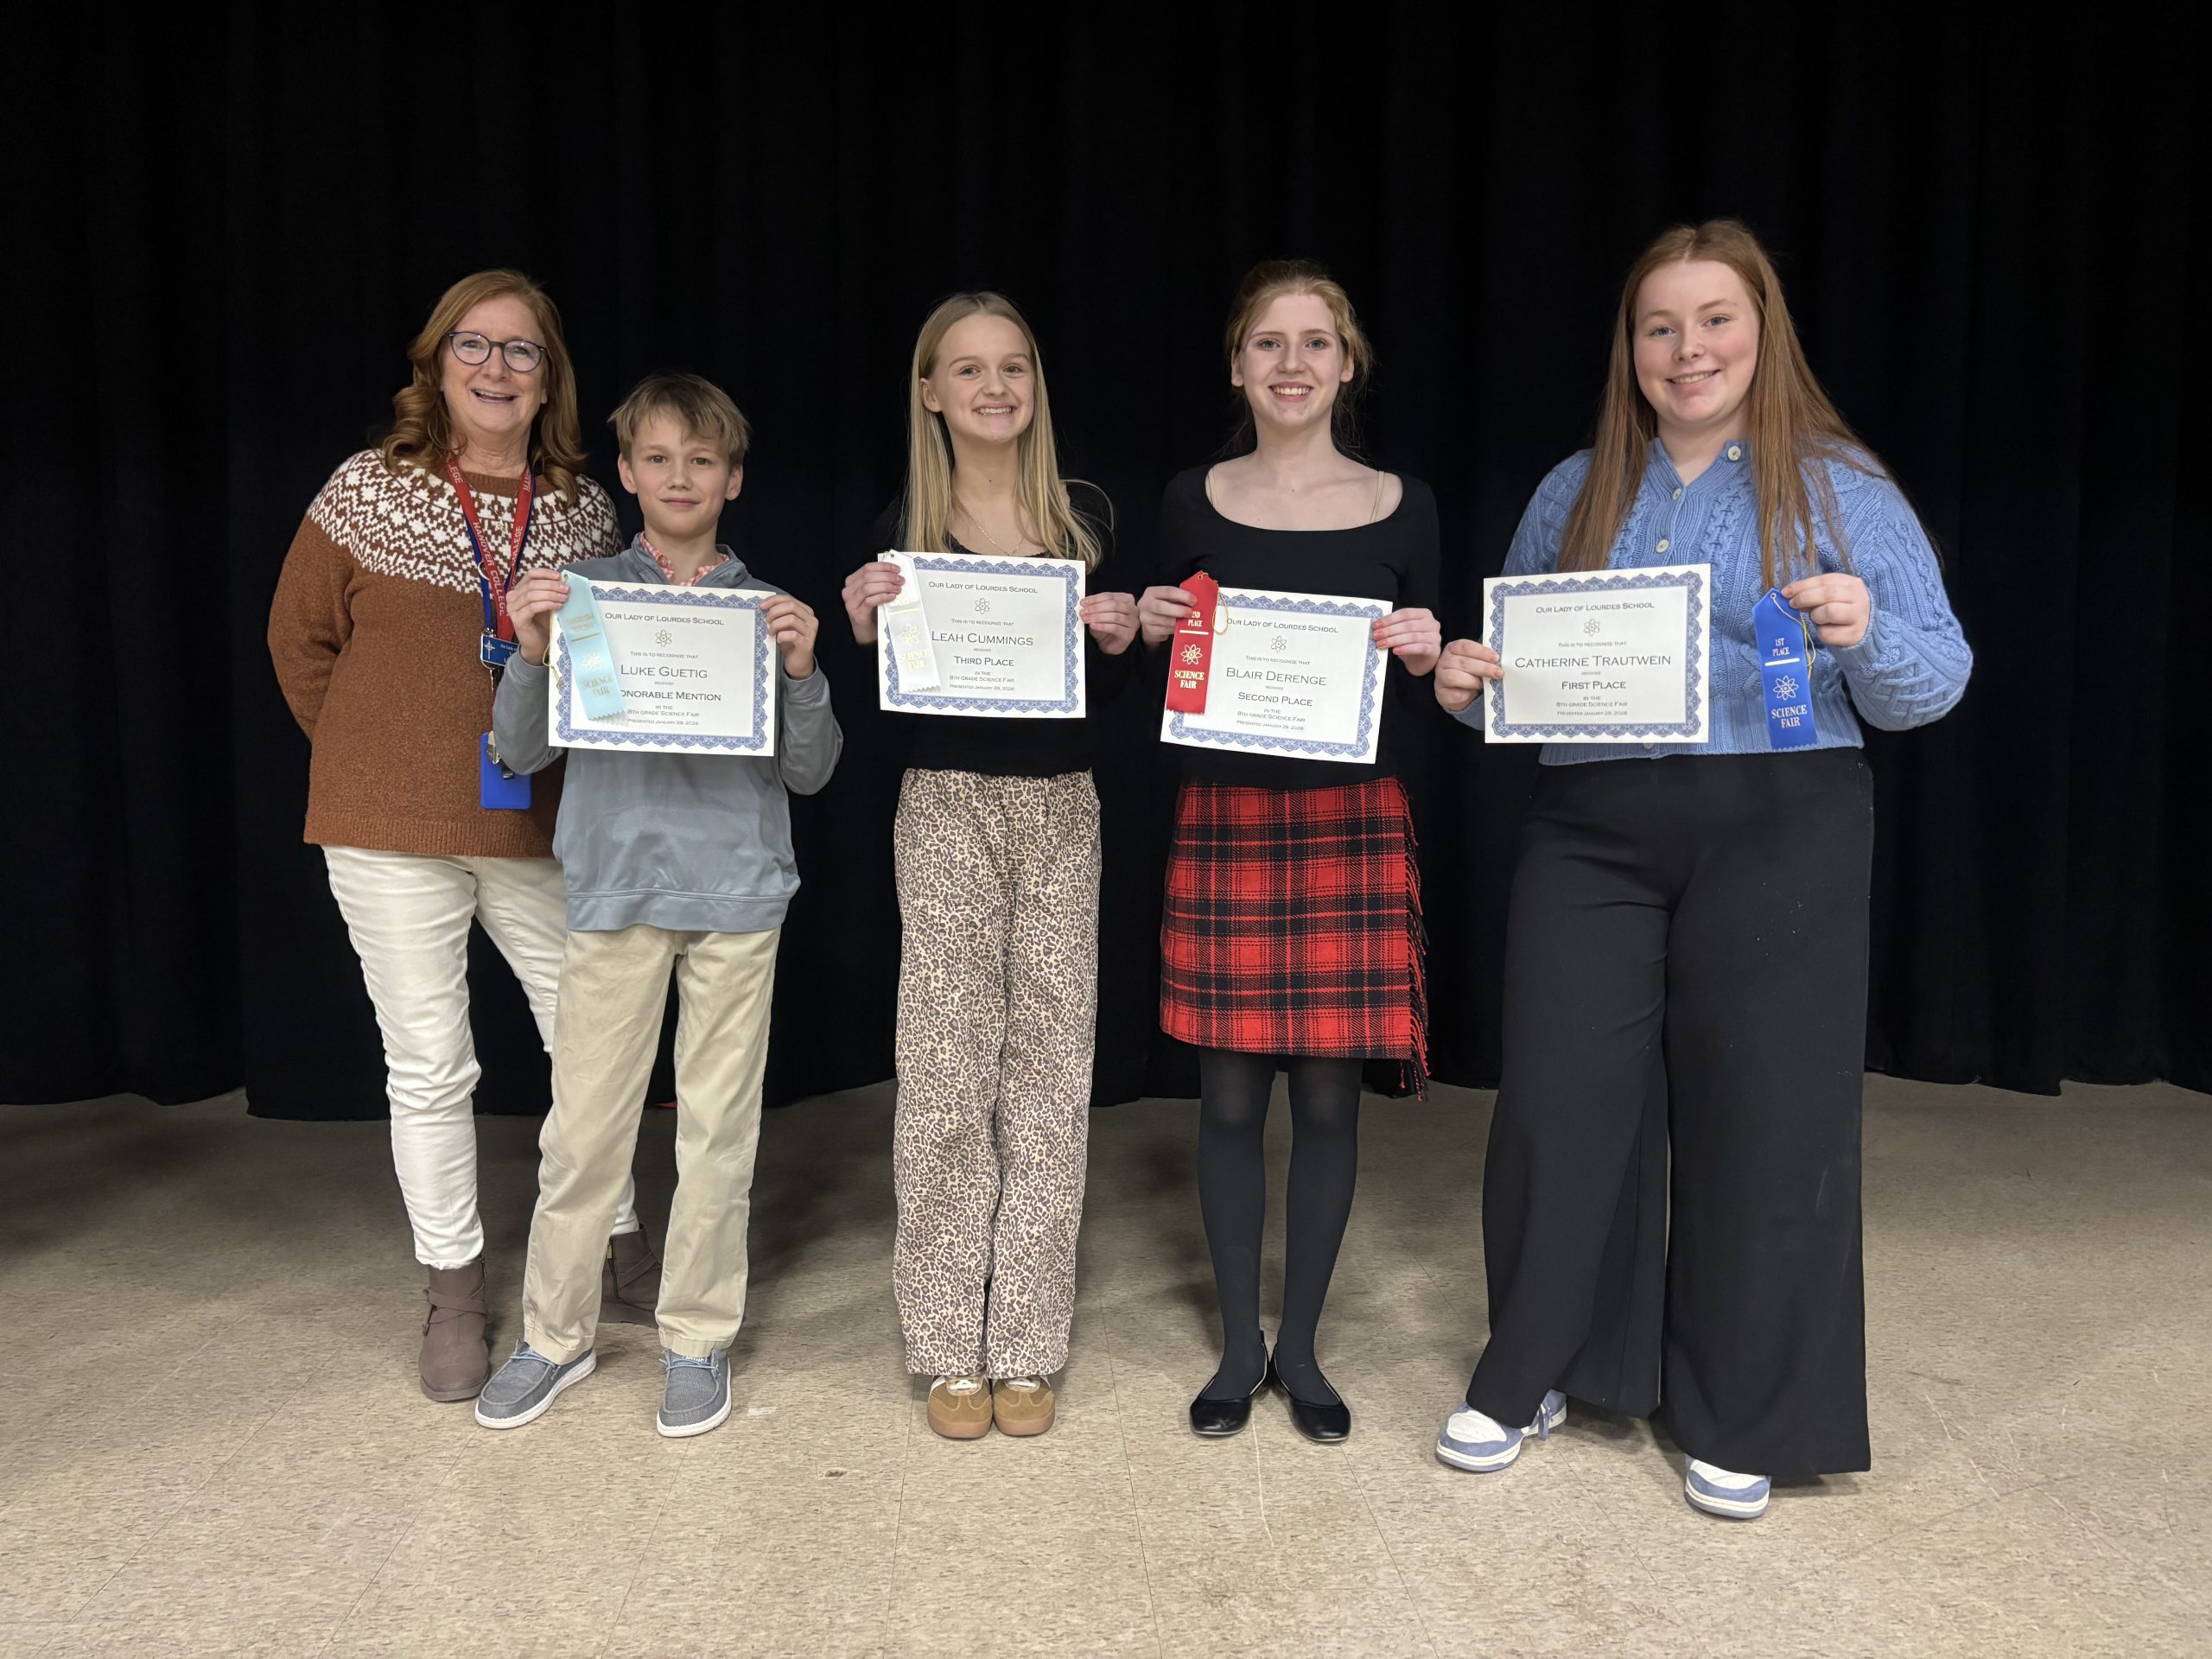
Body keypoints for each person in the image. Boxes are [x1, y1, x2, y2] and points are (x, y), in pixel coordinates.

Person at [1431, 219, 1972, 1519]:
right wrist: (1465, 684)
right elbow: (1521, 673)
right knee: (1558, 1105)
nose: (1688, 349)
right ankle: (1544, 1367)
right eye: (1660, 326)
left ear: (1762, 332)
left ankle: (1745, 1409)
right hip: (1591, 826)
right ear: (1630, 347)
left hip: (1782, 820)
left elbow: (1936, 680)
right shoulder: (1576, 488)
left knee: (1766, 1116)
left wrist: (1866, 628)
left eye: (1715, 319)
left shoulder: (1842, 486)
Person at [268, 270, 661, 1404]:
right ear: (435, 366)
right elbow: (300, 641)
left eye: (521, 350)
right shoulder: (365, 490)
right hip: (387, 830)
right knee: (432, 1063)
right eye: (473, 347)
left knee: (591, 1045)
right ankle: (453, 1291)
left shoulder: (584, 512)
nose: (496, 368)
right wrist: (372, 758)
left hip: (537, 823)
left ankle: (618, 1241)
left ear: (549, 379)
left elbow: (609, 671)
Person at [474, 372, 842, 1437]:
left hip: (738, 897)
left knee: (719, 1134)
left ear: (733, 478)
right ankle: (554, 1337)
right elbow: (518, 752)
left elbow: (812, 772)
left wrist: (804, 669)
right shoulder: (584, 596)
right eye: (659, 458)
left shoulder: (764, 610)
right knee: (583, 1134)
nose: (681, 477)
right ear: (628, 474)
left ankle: (697, 1339)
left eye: (702, 460)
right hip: (615, 891)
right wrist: (531, 651)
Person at [1135, 259, 1441, 1444]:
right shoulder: (1190, 499)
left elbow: (1430, 695)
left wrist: (1428, 651)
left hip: (1350, 823)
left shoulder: (1404, 504)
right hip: (1227, 817)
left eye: (1316, 342)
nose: (1293, 363)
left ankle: (1303, 1348)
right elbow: (1177, 680)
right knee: (1225, 1100)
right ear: (1237, 365)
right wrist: (1152, 628)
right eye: (1269, 342)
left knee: (1326, 1100)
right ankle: (1236, 1346)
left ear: (1347, 363)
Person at [840, 293, 1138, 1440]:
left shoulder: (1081, 520)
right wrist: (864, 626)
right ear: (931, 392)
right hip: (947, 804)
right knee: (946, 1066)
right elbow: (894, 701)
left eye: (1012, 366)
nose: (994, 386)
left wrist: (1116, 640)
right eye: (967, 369)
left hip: (1062, 804)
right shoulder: (904, 528)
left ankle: (1024, 1339)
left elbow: (1106, 691)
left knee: (1052, 1071)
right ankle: (944, 1340)